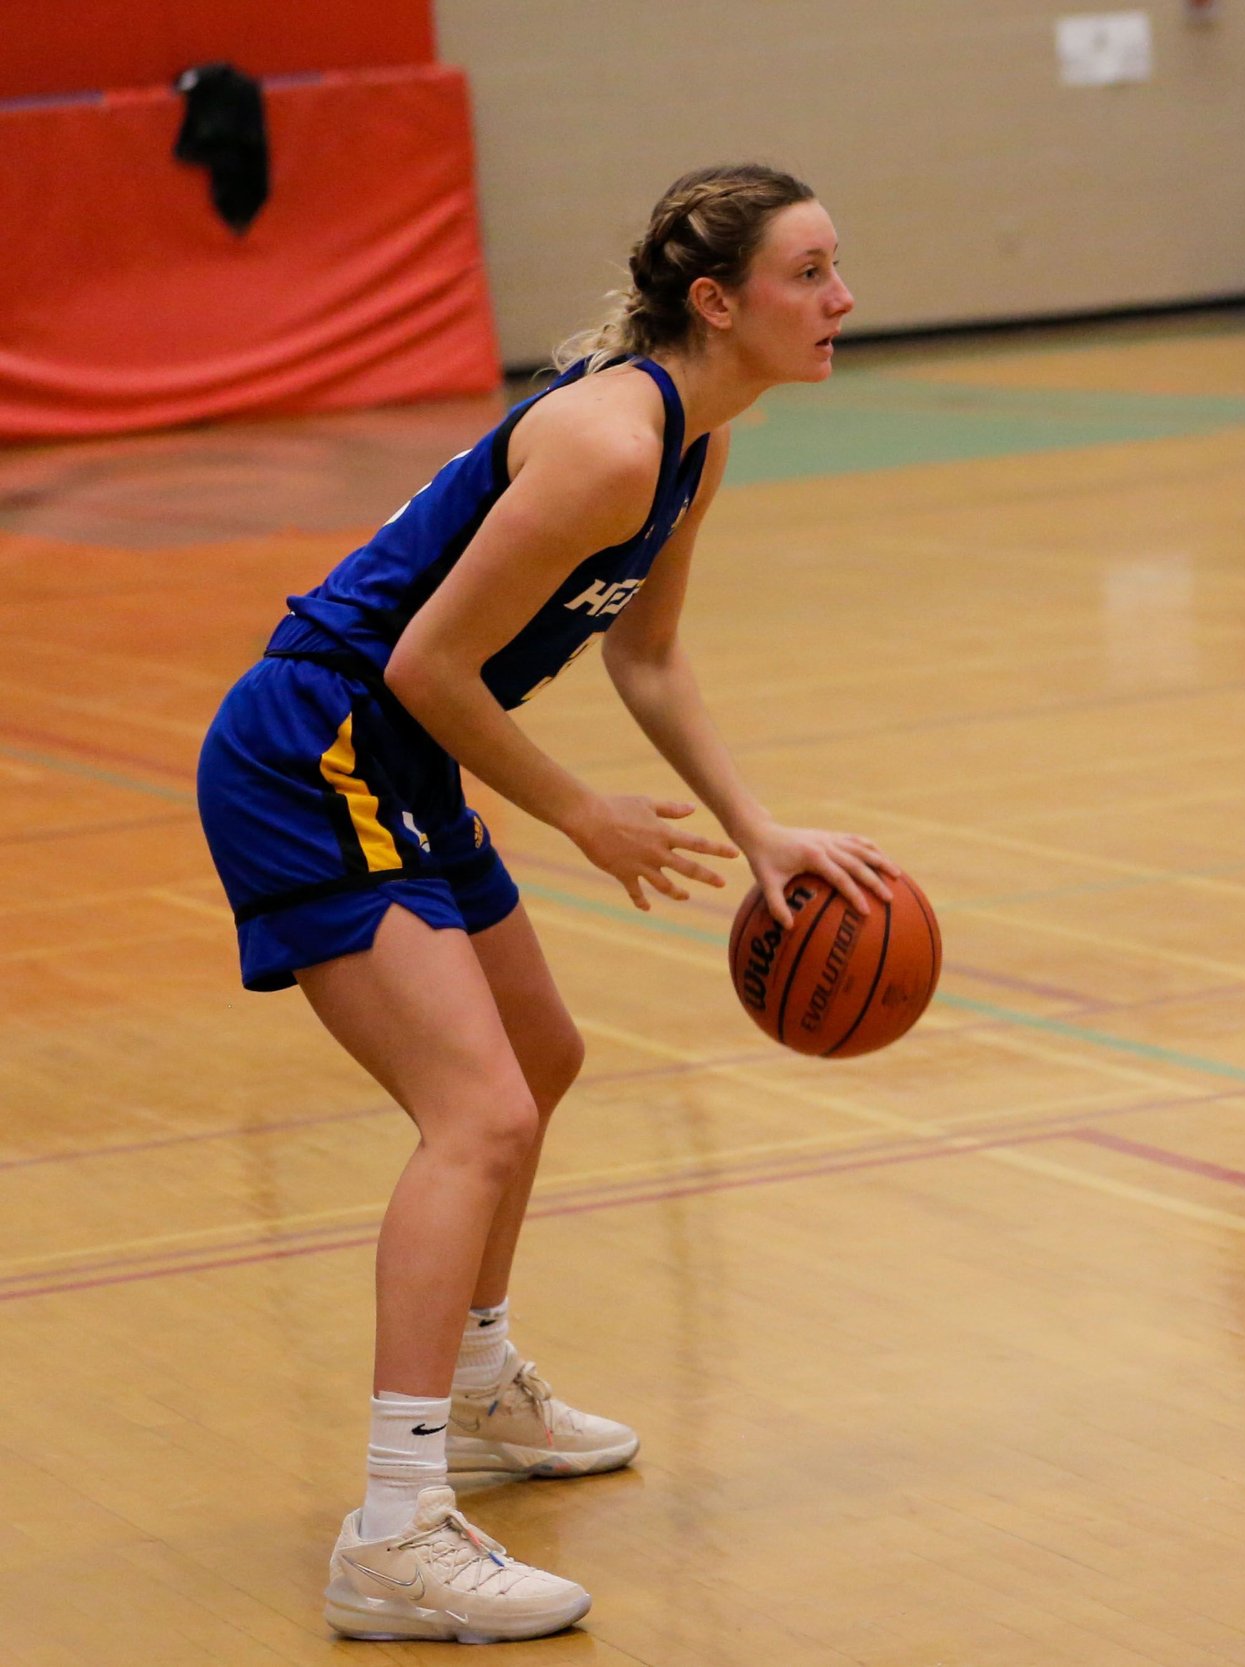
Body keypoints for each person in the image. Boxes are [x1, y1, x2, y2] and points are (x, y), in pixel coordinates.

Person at [194, 163, 894, 1643]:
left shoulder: (694, 448)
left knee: (546, 1060)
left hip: (403, 767)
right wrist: (583, 816)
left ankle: (477, 1379)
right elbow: (421, 667)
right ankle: (392, 1530)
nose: (843, 301)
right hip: (315, 753)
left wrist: (756, 832)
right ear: (719, 303)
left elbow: (646, 661)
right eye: (812, 273)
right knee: (483, 1114)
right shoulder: (604, 445)